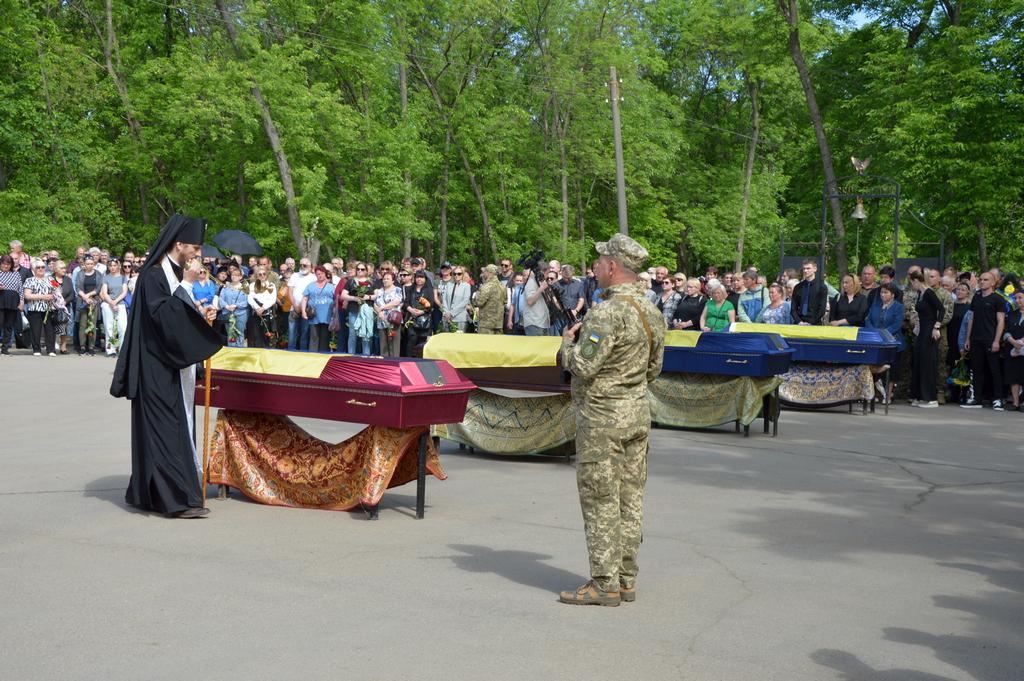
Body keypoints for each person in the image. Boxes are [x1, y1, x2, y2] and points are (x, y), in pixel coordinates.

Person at [558, 234, 665, 606]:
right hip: (637, 414)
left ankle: (604, 585)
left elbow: (583, 365)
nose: (595, 268)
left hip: (603, 418)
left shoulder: (606, 312)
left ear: (614, 267)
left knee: (601, 499)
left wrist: (566, 344)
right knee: (630, 499)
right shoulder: (652, 311)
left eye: (600, 262)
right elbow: (654, 369)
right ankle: (626, 578)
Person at [110, 214, 222, 519]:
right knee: (165, 431)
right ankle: (175, 500)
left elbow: (177, 316)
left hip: (172, 364)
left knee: (171, 429)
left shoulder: (172, 274)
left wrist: (203, 314)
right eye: (195, 247)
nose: (197, 254)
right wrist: (186, 285)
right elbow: (160, 320)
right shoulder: (153, 276)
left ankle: (148, 493)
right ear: (179, 243)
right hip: (154, 366)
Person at [963, 271, 1006, 410]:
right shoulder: (976, 298)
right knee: (977, 369)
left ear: (993, 282)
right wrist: (968, 338)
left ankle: (998, 399)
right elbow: (971, 318)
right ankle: (977, 398)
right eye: (980, 279)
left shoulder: (998, 299)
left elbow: (1001, 322)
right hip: (976, 339)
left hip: (990, 339)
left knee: (994, 370)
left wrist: (996, 341)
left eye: (986, 280)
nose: (982, 282)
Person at [907, 270, 944, 407]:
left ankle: (930, 398)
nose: (912, 285)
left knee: (928, 363)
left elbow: (941, 309)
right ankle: (920, 395)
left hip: (930, 331)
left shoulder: (929, 293)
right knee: (919, 361)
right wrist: (917, 324)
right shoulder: (920, 294)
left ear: (917, 281)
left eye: (912, 282)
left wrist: (937, 327)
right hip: (922, 330)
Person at [865, 282, 905, 404]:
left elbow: (897, 324)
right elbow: (868, 319)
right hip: (875, 341)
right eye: (881, 292)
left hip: (892, 341)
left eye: (886, 293)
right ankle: (875, 394)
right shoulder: (875, 305)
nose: (883, 295)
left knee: (891, 369)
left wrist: (884, 334)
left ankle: (888, 395)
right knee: (875, 367)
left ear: (892, 294)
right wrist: (874, 333)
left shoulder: (898, 307)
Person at [23, 260, 58, 357]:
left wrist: (53, 296)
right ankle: (36, 349)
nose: (41, 269)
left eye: (43, 267)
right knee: (35, 330)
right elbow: (27, 295)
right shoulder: (30, 280)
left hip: (49, 309)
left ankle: (51, 349)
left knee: (50, 330)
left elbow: (58, 291)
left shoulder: (51, 279)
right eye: (38, 267)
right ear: (34, 269)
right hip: (35, 309)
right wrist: (42, 296)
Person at [341, 263, 374, 355]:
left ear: (366, 271)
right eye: (358, 269)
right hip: (354, 310)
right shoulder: (351, 281)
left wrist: (368, 297)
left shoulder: (371, 282)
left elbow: (377, 295)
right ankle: (351, 355)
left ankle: (366, 356)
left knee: (366, 334)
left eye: (362, 269)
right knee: (352, 334)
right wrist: (354, 298)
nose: (360, 271)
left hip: (367, 311)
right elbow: (343, 295)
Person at [302, 265, 336, 352]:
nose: (320, 275)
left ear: (325, 274)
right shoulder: (310, 286)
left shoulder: (331, 286)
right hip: (314, 315)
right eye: (318, 274)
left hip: (327, 316)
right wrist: (303, 311)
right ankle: (313, 355)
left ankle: (323, 355)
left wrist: (335, 314)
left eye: (321, 274)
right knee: (314, 337)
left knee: (325, 337)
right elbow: (305, 298)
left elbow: (336, 300)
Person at [73, 255, 101, 355]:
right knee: (82, 325)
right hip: (82, 302)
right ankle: (83, 346)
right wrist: (85, 297)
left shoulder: (98, 274)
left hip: (94, 301)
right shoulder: (80, 274)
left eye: (91, 264)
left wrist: (89, 296)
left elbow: (98, 288)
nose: (89, 265)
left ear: (94, 264)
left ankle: (91, 346)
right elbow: (77, 287)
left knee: (92, 325)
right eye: (87, 263)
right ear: (84, 264)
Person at [99, 259, 129, 356]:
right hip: (108, 304)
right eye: (110, 265)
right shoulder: (106, 278)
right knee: (109, 327)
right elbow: (104, 292)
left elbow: (124, 292)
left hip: (120, 304)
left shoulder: (123, 278)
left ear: (118, 266)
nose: (112, 267)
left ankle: (122, 349)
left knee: (123, 328)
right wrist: (111, 303)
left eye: (114, 265)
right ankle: (110, 349)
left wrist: (116, 302)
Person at [1001, 291, 1024, 411]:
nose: (1018, 300)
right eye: (1016, 298)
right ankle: (1015, 403)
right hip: (1013, 349)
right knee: (1014, 376)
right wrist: (1014, 342)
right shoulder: (1011, 314)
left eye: (1020, 298)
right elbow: (1006, 330)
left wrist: (1022, 341)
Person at [287, 258, 316, 350]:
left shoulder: (314, 278)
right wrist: (295, 305)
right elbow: (289, 292)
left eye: (305, 265)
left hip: (307, 309)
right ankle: (290, 352)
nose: (303, 267)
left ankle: (303, 353)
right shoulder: (294, 276)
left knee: (304, 333)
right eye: (301, 265)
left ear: (310, 266)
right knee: (292, 333)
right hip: (294, 308)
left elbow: (313, 294)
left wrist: (303, 307)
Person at [372, 271, 403, 356]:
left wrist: (382, 308)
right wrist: (379, 312)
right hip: (381, 319)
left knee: (393, 343)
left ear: (393, 281)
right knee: (383, 344)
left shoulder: (397, 289)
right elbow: (375, 303)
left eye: (388, 279)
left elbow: (396, 302)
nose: (385, 280)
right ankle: (385, 364)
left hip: (393, 320)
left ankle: (395, 361)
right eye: (384, 279)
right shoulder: (380, 291)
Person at [248, 266, 278, 348]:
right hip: (256, 313)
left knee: (266, 337)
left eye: (264, 274)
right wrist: (257, 308)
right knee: (257, 336)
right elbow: (250, 298)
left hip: (267, 314)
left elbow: (273, 300)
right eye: (260, 274)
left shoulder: (271, 285)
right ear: (257, 276)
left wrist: (263, 308)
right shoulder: (252, 285)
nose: (262, 276)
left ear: (267, 275)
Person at [404, 270, 433, 355]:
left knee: (422, 343)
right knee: (411, 341)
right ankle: (409, 361)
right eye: (417, 277)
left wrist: (421, 311)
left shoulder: (429, 289)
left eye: (421, 277)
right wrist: (411, 310)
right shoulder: (411, 289)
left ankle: (420, 363)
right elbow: (406, 302)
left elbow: (431, 304)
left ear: (425, 278)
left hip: (424, 320)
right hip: (412, 319)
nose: (419, 279)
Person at [473, 264, 505, 335]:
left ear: (489, 273)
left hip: (486, 324)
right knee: (497, 345)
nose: (483, 273)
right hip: (498, 323)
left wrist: (476, 295)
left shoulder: (486, 286)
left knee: (485, 345)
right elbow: (505, 301)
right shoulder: (502, 286)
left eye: (484, 272)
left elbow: (478, 302)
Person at [522, 267, 550, 336]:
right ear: (541, 272)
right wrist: (541, 288)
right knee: (535, 346)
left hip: (543, 323)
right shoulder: (531, 282)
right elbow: (530, 301)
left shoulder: (540, 282)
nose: (548, 276)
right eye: (547, 273)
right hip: (534, 323)